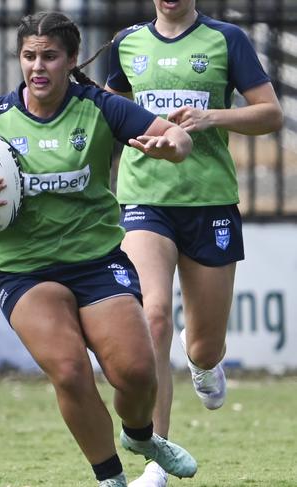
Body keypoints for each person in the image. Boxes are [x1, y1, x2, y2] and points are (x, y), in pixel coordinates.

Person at [0, 11, 198, 487]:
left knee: (138, 373)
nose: (38, 67)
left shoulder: (99, 107)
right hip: (24, 269)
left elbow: (177, 136)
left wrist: (169, 148)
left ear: (71, 59)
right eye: (29, 56)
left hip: (96, 261)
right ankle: (111, 479)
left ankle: (141, 436)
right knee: (70, 370)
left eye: (50, 56)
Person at [105, 1, 283, 485]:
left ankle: (203, 359)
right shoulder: (126, 43)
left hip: (210, 203)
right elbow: (106, 113)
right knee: (153, 316)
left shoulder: (227, 39)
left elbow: (271, 114)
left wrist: (212, 118)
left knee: (204, 346)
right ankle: (155, 460)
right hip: (145, 200)